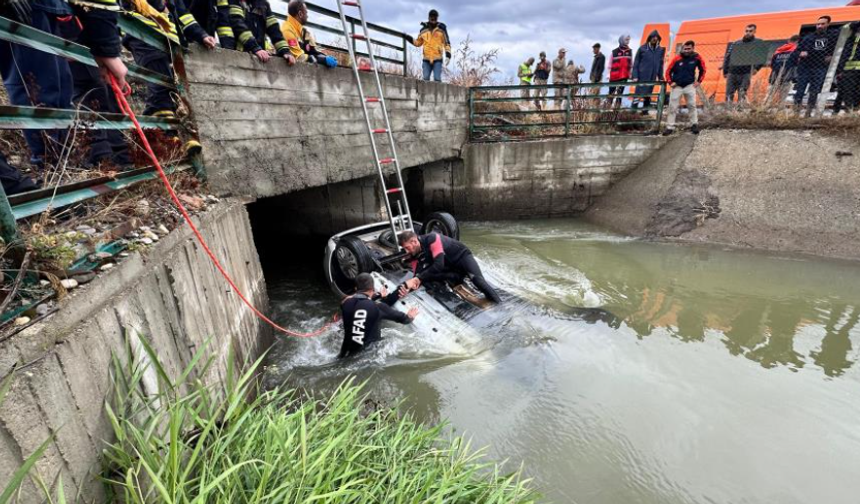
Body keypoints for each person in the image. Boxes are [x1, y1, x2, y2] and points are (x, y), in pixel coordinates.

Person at [123, 0, 216, 118]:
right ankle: (166, 133)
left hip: (167, 43)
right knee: (161, 89)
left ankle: (154, 130)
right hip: (144, 38)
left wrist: (202, 35)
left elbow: (184, 16)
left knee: (167, 91)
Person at [399, 231, 502, 304]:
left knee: (478, 281)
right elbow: (417, 275)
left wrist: (418, 278)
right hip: (450, 266)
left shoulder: (432, 238)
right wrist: (407, 289)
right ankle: (455, 278)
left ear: (414, 242)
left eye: (407, 248)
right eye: (404, 249)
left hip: (462, 257)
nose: (407, 252)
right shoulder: (413, 254)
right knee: (425, 278)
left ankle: (500, 305)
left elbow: (439, 265)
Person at [338, 273, 418, 359]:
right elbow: (404, 319)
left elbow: (361, 301)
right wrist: (410, 316)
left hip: (343, 354)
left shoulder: (345, 303)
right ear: (372, 289)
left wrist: (378, 295)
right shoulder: (378, 306)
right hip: (367, 356)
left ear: (356, 288)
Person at [793, 15, 839, 116]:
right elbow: (796, 52)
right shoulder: (808, 37)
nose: (819, 26)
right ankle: (795, 113)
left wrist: (832, 55)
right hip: (805, 67)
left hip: (820, 67)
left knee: (814, 91)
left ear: (828, 24)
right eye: (818, 24)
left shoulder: (832, 37)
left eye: (822, 24)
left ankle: (808, 113)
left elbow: (838, 50)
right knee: (800, 91)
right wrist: (800, 53)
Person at [229, 0, 294, 64]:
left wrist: (285, 51)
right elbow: (238, 25)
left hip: (260, 57)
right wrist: (255, 47)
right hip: (239, 56)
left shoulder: (264, 4)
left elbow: (274, 29)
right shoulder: (235, 1)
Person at [663, 40, 706, 136]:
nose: (686, 50)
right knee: (672, 107)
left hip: (690, 86)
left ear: (693, 48)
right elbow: (668, 71)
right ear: (683, 48)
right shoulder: (677, 58)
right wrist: (670, 82)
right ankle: (669, 127)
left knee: (692, 106)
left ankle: (694, 125)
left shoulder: (697, 57)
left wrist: (699, 81)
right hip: (677, 86)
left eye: (689, 48)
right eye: (685, 49)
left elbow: (703, 69)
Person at [280, 0, 337, 67]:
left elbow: (313, 51)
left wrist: (325, 57)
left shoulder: (305, 32)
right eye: (306, 13)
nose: (307, 16)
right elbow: (299, 57)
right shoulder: (287, 29)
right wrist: (323, 60)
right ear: (300, 14)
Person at [405, 9, 450, 82]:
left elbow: (447, 43)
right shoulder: (423, 30)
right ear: (429, 18)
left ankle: (437, 93)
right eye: (431, 17)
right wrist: (408, 37)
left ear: (437, 18)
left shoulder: (442, 29)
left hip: (437, 59)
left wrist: (448, 55)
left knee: (437, 79)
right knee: (425, 79)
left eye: (435, 17)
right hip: (426, 59)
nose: (433, 19)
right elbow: (417, 43)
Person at [722, 24, 763, 104]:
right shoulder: (737, 43)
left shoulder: (758, 43)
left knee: (742, 93)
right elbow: (728, 57)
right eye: (747, 31)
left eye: (750, 31)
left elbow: (762, 57)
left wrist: (756, 68)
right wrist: (725, 71)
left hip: (746, 72)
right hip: (732, 71)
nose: (748, 33)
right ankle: (728, 112)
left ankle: (740, 112)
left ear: (755, 31)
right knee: (729, 93)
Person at [631, 29, 665, 113]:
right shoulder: (642, 49)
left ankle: (645, 112)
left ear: (658, 39)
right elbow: (636, 63)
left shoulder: (660, 50)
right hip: (642, 75)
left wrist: (660, 76)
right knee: (637, 94)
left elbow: (660, 64)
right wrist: (635, 76)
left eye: (656, 37)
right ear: (649, 38)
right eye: (653, 37)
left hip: (652, 76)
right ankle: (633, 111)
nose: (654, 39)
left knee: (648, 94)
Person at [768, 34, 800, 104]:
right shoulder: (796, 50)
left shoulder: (778, 50)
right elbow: (797, 64)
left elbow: (772, 64)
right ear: (797, 41)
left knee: (769, 96)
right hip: (787, 77)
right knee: (783, 98)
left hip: (775, 76)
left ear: (789, 41)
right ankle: (780, 110)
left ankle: (764, 108)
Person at [835, 22, 860, 113]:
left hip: (851, 68)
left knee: (855, 92)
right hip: (849, 68)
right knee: (847, 91)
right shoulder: (850, 38)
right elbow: (846, 27)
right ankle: (849, 111)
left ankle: (854, 110)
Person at [608, 35, 633, 108]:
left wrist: (631, 74)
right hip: (614, 76)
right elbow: (610, 63)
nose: (627, 41)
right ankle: (607, 110)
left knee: (620, 95)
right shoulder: (614, 52)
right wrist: (608, 74)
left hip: (623, 76)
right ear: (621, 40)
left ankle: (616, 111)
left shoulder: (630, 51)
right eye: (626, 40)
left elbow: (631, 63)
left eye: (628, 40)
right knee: (611, 94)